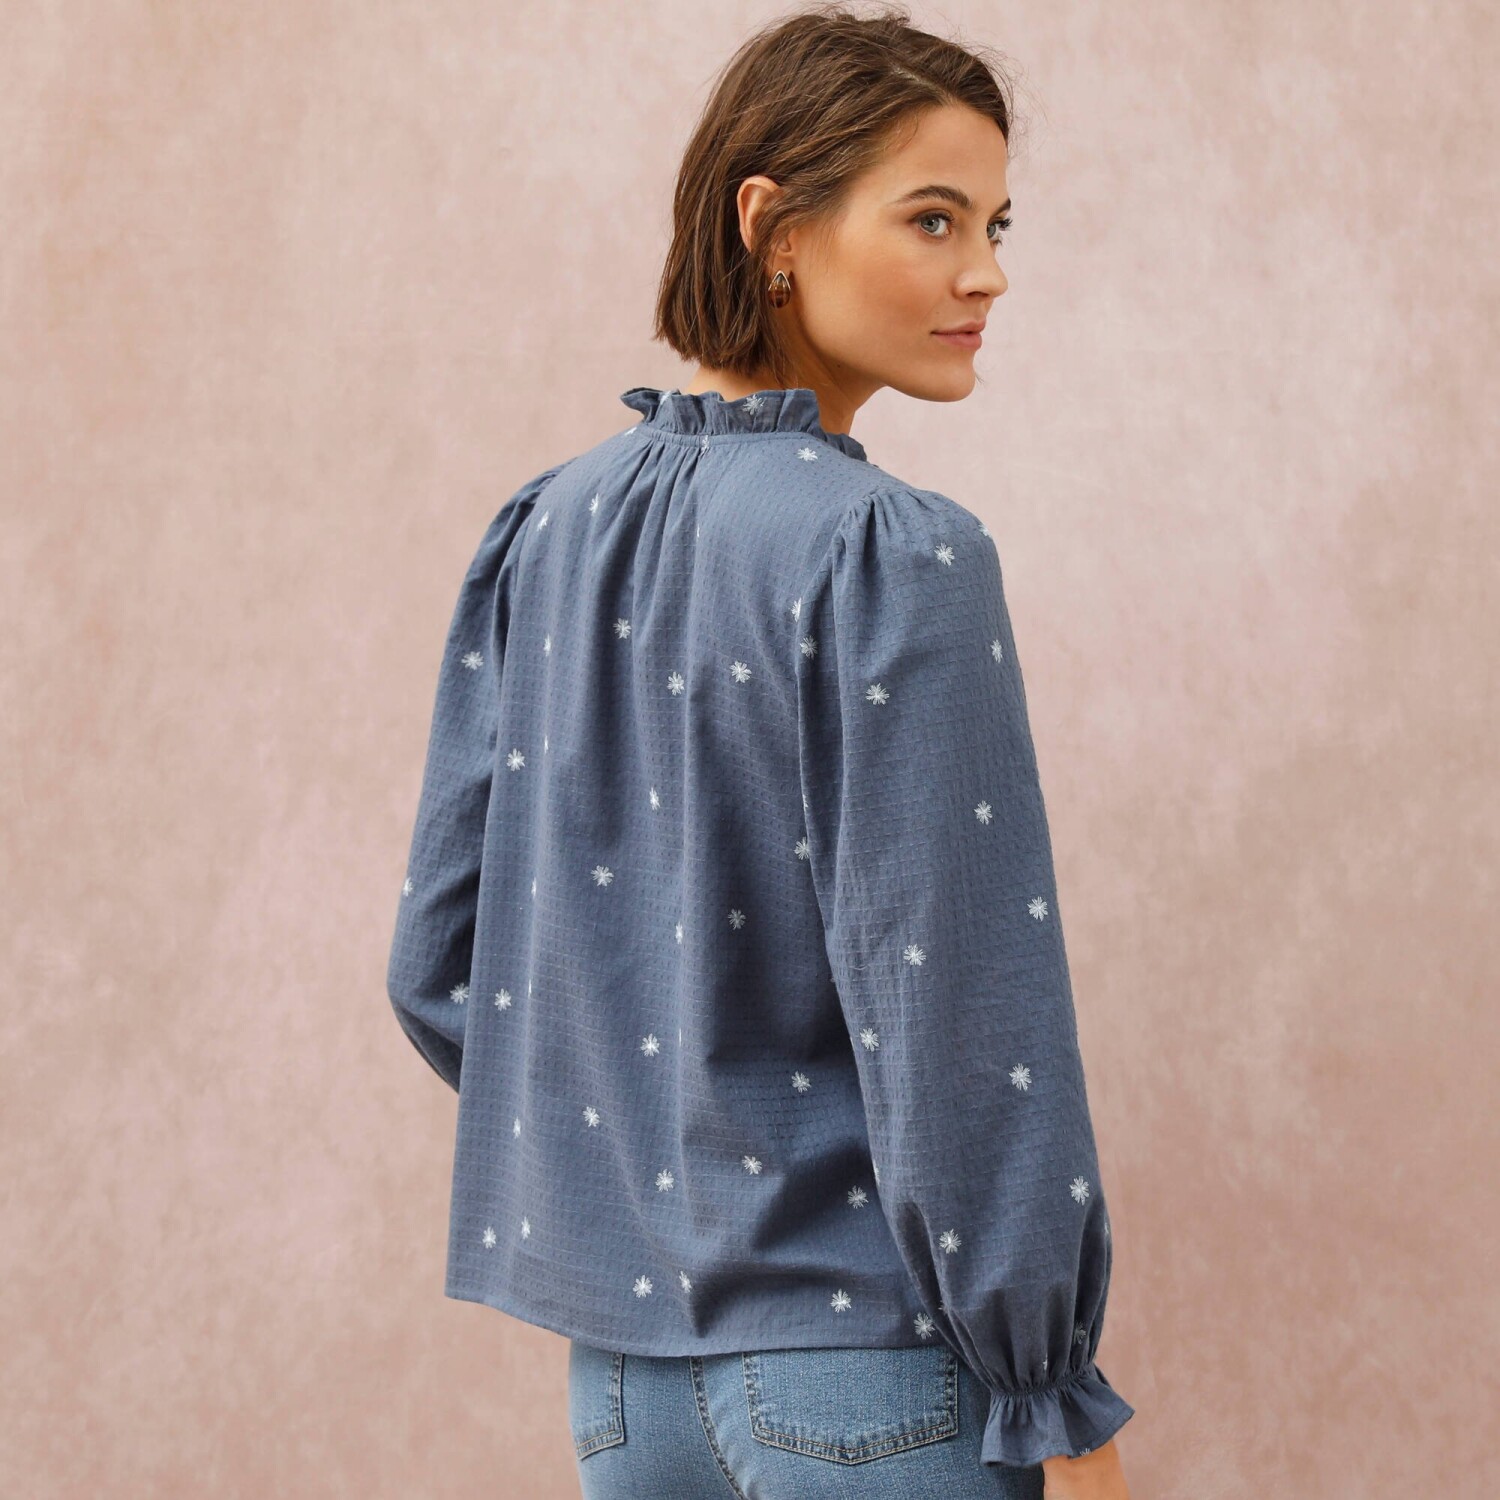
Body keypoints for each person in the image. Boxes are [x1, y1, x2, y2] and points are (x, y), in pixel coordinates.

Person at [385, 4, 1135, 1496]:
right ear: (774, 227)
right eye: (933, 219)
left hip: (624, 1392)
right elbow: (963, 1018)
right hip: (877, 1377)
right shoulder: (895, 553)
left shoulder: (546, 529)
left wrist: (655, 1158)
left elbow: (441, 961)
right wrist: (1050, 1391)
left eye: (994, 225)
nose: (986, 272)